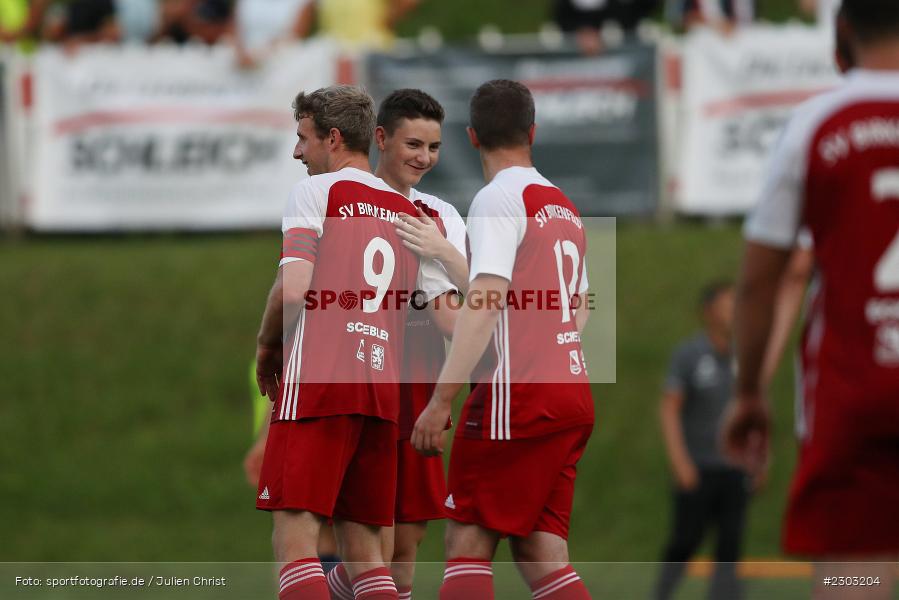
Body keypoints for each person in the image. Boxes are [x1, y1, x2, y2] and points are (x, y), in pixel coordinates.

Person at [723, 0, 899, 597]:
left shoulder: (816, 123)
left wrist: (749, 391)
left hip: (856, 391)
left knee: (855, 580)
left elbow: (758, 281)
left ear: (842, 32)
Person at [253, 84, 453, 600]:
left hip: (319, 380)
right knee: (369, 560)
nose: (297, 152)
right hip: (382, 394)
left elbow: (295, 289)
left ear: (333, 138)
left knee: (297, 546)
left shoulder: (318, 193)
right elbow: (454, 318)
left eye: (303, 138)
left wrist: (267, 347)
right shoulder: (417, 217)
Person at [413, 79, 594, 600]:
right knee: (542, 552)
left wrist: (442, 398)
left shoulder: (497, 199)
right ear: (532, 132)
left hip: (519, 397)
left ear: (471, 137)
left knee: (467, 538)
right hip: (571, 393)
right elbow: (576, 310)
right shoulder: (562, 205)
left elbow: (486, 303)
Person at [326, 89, 468, 600]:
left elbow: (454, 319)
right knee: (367, 542)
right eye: (413, 143)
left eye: (433, 147)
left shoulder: (440, 215)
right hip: (359, 383)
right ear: (380, 138)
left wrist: (445, 254)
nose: (423, 158)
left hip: (417, 387)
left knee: (406, 541)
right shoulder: (343, 198)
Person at [654, 281, 750, 600]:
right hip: (698, 468)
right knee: (684, 542)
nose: (734, 312)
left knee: (730, 549)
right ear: (708, 311)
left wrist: (760, 458)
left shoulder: (745, 354)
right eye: (727, 305)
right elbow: (669, 408)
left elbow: (755, 408)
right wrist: (680, 461)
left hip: (736, 469)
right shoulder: (690, 354)